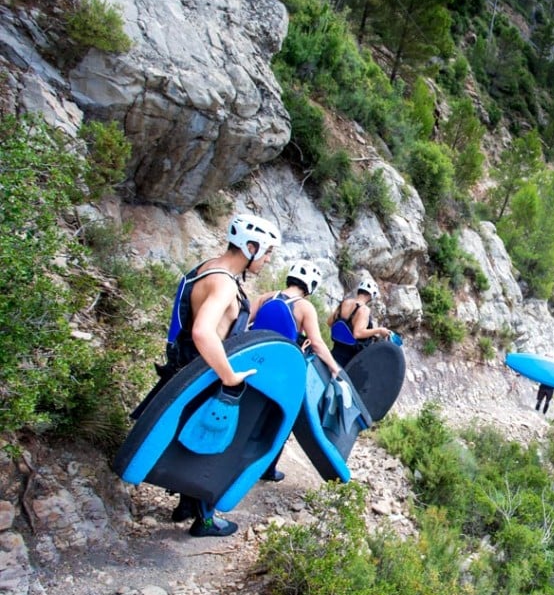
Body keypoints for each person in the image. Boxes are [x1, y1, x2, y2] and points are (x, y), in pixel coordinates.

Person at [163, 213, 280, 537]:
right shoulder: (225, 283)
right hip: (207, 375)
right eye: (268, 252)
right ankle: (205, 520)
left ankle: (186, 505)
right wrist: (229, 376)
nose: (269, 259)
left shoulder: (207, 269)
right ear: (251, 247)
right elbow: (203, 332)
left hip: (187, 369)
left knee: (193, 441)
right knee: (215, 445)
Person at [249, 259, 342, 481]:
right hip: (281, 370)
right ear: (311, 285)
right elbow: (316, 343)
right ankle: (267, 469)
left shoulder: (266, 297)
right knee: (283, 418)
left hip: (254, 361)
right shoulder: (305, 307)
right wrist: (334, 367)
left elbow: (244, 322)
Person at [326, 277, 392, 369]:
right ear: (371, 295)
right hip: (348, 359)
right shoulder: (364, 310)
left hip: (334, 351)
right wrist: (379, 330)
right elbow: (357, 333)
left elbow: (329, 322)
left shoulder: (345, 302)